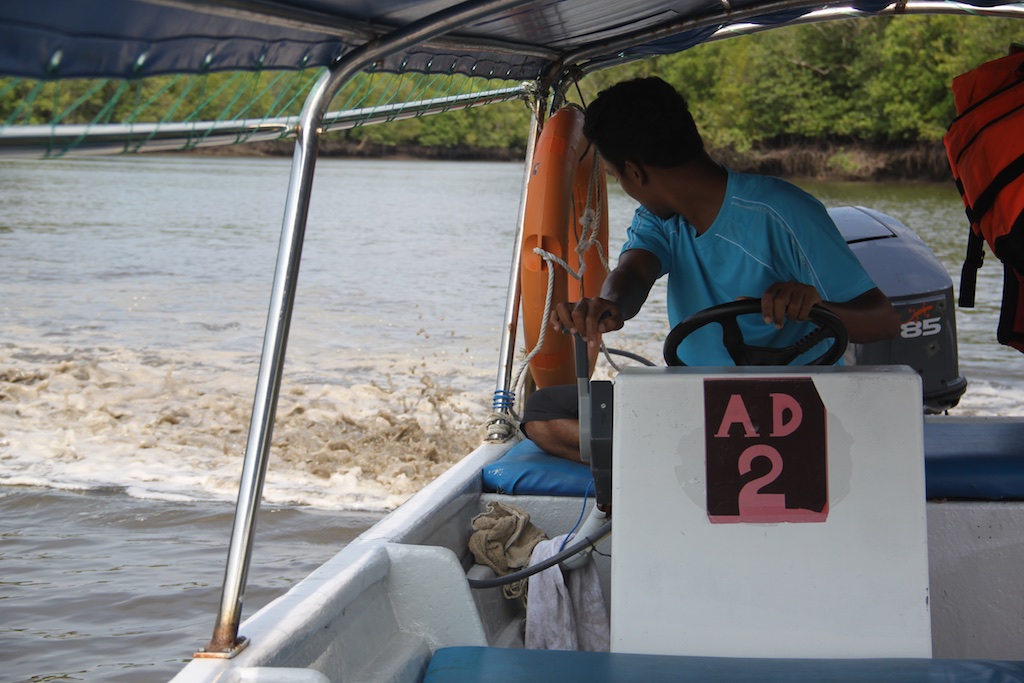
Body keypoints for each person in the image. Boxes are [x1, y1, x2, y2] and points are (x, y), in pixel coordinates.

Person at [520, 77, 900, 462]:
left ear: (635, 172)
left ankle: (672, 463)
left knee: (566, 426)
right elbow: (634, 271)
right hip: (698, 402)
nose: (624, 187)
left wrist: (816, 308)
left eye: (617, 178)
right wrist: (609, 303)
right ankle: (700, 459)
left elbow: (883, 320)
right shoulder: (660, 219)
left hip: (794, 410)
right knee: (544, 412)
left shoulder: (783, 212)